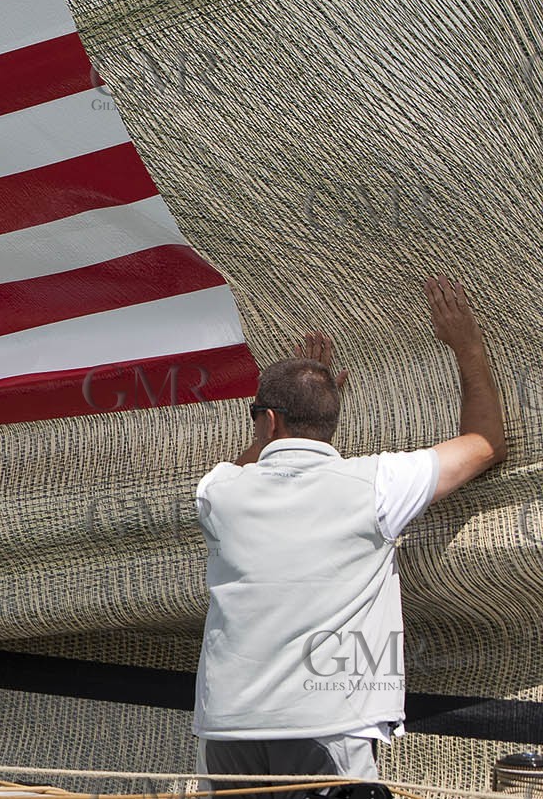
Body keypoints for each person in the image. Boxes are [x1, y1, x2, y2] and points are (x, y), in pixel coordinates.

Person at [192, 275, 506, 787]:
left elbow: (246, 465)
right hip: (326, 724)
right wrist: (467, 346)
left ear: (267, 422)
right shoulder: (377, 485)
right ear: (331, 421)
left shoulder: (219, 492)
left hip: (227, 726)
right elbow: (486, 442)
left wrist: (288, 410)